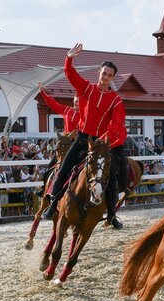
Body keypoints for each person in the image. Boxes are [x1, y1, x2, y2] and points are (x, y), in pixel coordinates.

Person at [42, 43, 127, 229]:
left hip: (101, 144)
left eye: (109, 75)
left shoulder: (116, 101)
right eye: (104, 73)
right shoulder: (87, 89)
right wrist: (69, 58)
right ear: (99, 73)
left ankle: (111, 214)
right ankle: (53, 204)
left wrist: (103, 141)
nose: (105, 77)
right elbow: (70, 75)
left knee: (111, 176)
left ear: (112, 78)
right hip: (82, 139)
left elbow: (116, 125)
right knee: (64, 168)